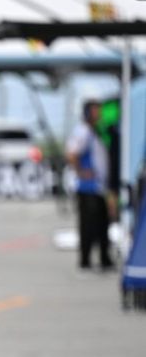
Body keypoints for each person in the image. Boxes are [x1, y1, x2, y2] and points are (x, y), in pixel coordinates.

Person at [66, 100, 115, 271]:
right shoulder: (83, 132)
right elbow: (72, 154)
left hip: (98, 186)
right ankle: (85, 259)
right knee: (88, 225)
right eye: (95, 111)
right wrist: (80, 171)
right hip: (87, 187)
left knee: (103, 224)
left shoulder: (96, 131)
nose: (99, 114)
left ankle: (104, 258)